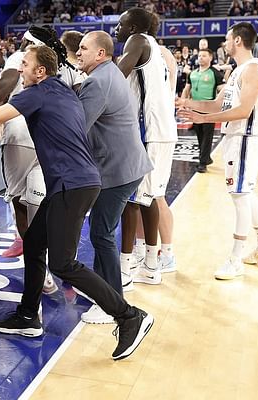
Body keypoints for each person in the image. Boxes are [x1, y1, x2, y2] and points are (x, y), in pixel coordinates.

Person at [0, 44, 153, 360]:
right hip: (78, 181)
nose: (19, 69)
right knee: (34, 243)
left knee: (63, 263)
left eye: (24, 64)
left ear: (40, 71)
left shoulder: (36, 93)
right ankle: (27, 316)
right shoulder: (62, 91)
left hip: (71, 184)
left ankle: (129, 315)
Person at [177, 22, 258, 280]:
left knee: (240, 195)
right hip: (235, 138)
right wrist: (189, 103)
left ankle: (235, 259)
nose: (225, 41)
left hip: (245, 138)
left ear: (238, 41)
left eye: (228, 38)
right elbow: (215, 104)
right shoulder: (237, 71)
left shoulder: (253, 70)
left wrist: (202, 120)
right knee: (246, 192)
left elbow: (244, 111)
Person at [74, 31, 153, 323]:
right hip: (125, 165)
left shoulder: (97, 81)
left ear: (101, 54)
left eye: (83, 48)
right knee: (100, 228)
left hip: (118, 169)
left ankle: (112, 302)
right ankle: (101, 288)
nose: (78, 53)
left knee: (101, 232)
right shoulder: (109, 72)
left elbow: (77, 128)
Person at [0, 26, 60, 295]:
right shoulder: (52, 64)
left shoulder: (20, 57)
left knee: (19, 201)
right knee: (40, 204)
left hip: (19, 137)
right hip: (46, 137)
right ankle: (48, 262)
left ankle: (37, 263)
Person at [115, 8, 179, 285]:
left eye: (121, 23)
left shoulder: (138, 40)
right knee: (149, 197)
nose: (117, 27)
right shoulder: (157, 49)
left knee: (131, 199)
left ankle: (125, 270)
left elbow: (115, 78)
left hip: (148, 131)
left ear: (134, 27)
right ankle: (151, 263)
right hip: (162, 131)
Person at [181, 48, 225, 173]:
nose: (201, 58)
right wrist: (183, 102)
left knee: (207, 135)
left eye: (204, 56)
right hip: (195, 108)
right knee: (199, 134)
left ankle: (203, 163)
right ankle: (206, 157)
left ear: (210, 58)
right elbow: (187, 88)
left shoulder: (215, 73)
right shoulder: (193, 73)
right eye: (199, 55)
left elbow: (223, 88)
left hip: (209, 109)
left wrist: (220, 103)